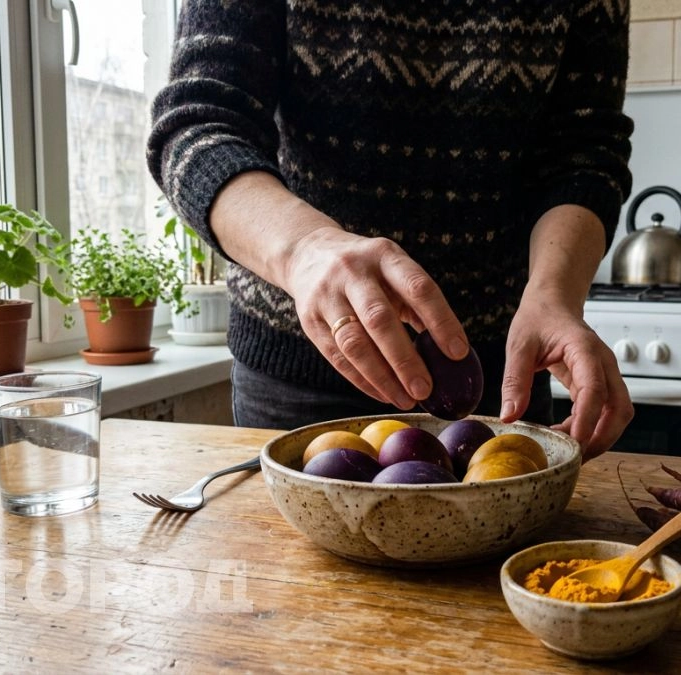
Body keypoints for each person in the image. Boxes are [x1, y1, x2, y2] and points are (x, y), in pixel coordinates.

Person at [147, 1, 635, 460]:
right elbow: (196, 126)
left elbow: (586, 151)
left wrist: (554, 294)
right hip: (299, 367)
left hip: (506, 371)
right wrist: (305, 250)